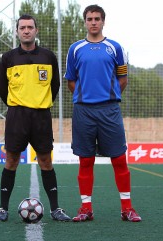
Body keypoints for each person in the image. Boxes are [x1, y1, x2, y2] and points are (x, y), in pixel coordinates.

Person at [64, 5, 141, 222]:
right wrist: (85, 96)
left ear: (103, 21)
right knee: (85, 161)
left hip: (109, 110)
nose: (93, 22)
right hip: (83, 111)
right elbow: (71, 80)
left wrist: (109, 95)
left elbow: (122, 80)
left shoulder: (115, 48)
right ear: (85, 22)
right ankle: (85, 208)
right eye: (89, 19)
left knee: (119, 159)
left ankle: (127, 208)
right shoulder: (75, 49)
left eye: (97, 18)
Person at [0, 14, 71, 222]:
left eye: (30, 27)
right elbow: (2, 88)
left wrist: (40, 102)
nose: (26, 31)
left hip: (41, 116)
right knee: (11, 160)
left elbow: (55, 87)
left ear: (36, 31)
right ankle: (2, 209)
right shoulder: (8, 58)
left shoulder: (48, 57)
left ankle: (55, 209)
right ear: (17, 31)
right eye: (22, 27)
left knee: (45, 161)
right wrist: (18, 104)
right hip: (17, 116)